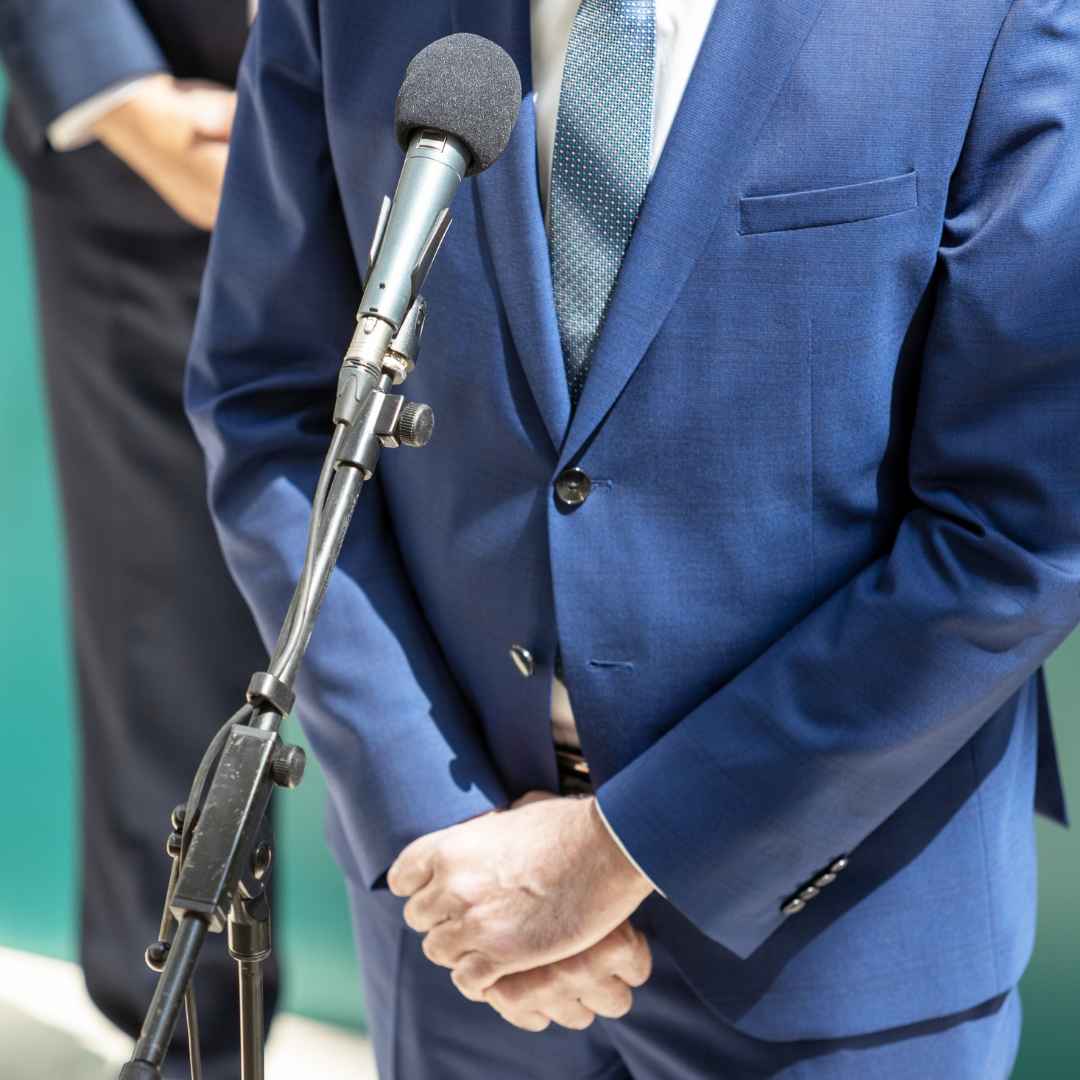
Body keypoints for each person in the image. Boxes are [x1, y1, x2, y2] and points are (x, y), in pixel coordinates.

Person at [187, 0, 1080, 1077]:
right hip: (461, 923)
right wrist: (430, 819)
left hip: (834, 952)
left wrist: (625, 849)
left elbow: (1020, 529)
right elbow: (269, 404)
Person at [0, 2, 274, 1076]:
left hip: (490, 153)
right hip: (161, 161)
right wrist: (117, 92)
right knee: (162, 664)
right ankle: (181, 1052)